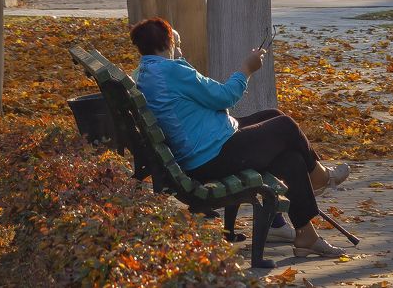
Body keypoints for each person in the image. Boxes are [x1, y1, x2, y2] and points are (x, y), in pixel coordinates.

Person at [130, 17, 350, 258]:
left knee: (286, 146)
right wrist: (247, 68)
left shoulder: (146, 71)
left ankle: (306, 235)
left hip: (204, 146)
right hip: (209, 155)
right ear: (169, 42)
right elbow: (225, 96)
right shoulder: (171, 71)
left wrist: (179, 58)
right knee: (285, 126)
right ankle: (320, 177)